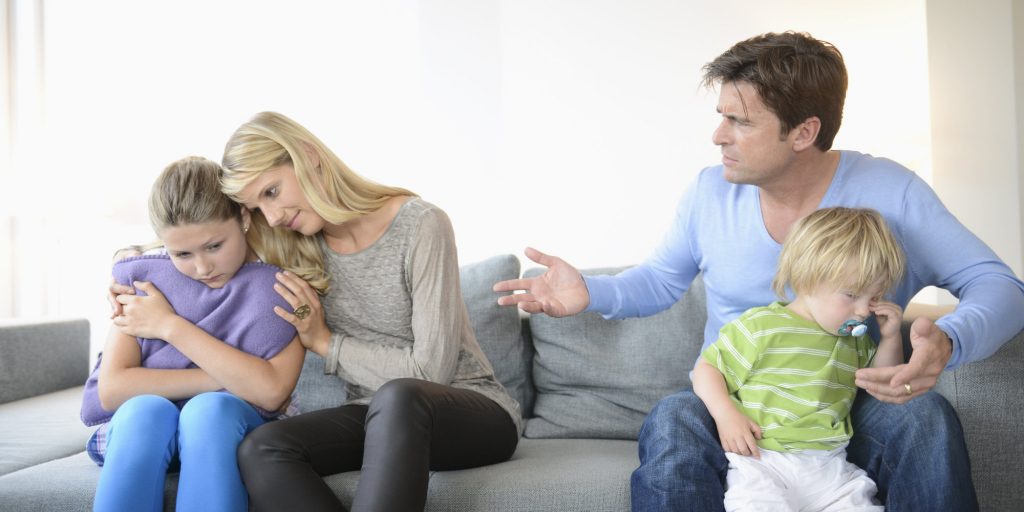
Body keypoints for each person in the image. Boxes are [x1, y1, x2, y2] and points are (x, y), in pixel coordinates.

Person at [494, 31, 1024, 511]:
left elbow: (1001, 286)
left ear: (803, 132)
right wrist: (589, 290)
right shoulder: (709, 192)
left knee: (925, 419)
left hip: (846, 403)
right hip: (738, 402)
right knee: (674, 418)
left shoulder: (893, 192)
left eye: (740, 121)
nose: (718, 136)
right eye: (722, 116)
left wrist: (949, 341)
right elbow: (659, 280)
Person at [216, 111, 522, 512]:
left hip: (470, 410)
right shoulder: (293, 247)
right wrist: (135, 270)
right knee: (264, 447)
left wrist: (326, 343)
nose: (271, 217)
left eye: (271, 191)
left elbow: (433, 371)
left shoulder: (421, 224)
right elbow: (205, 258)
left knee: (400, 396)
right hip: (374, 415)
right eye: (256, 208)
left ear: (308, 156)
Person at [85, 156, 306, 512]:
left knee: (208, 411)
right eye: (182, 253)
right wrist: (226, 377)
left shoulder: (280, 284)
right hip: (144, 433)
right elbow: (112, 391)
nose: (202, 268)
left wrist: (169, 326)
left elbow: (270, 392)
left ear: (244, 219)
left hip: (225, 431)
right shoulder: (144, 279)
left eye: (215, 246)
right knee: (143, 411)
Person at [693, 207, 905, 511]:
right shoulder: (762, 326)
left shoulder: (854, 342)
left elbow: (882, 384)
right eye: (851, 295)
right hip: (763, 462)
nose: (862, 311)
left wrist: (891, 338)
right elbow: (707, 368)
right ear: (808, 279)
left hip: (830, 467)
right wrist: (726, 414)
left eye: (872, 298)